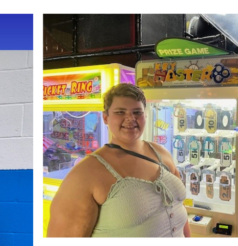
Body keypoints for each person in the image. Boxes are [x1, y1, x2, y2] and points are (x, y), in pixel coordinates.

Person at [47, 83, 189, 238]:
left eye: (137, 112)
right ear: (106, 118)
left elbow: (178, 209)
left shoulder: (162, 153)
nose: (130, 118)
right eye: (120, 112)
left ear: (145, 116)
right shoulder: (85, 175)